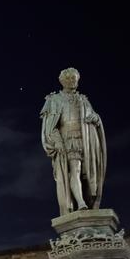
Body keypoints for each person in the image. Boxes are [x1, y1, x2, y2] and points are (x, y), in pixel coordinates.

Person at [41, 68, 107, 215]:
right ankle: (80, 202)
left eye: (75, 79)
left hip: (86, 140)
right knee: (74, 170)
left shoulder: (83, 100)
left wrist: (96, 118)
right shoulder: (55, 100)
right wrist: (57, 141)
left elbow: (94, 116)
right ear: (62, 81)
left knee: (88, 173)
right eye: (69, 78)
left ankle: (88, 201)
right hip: (68, 139)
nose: (72, 81)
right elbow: (50, 126)